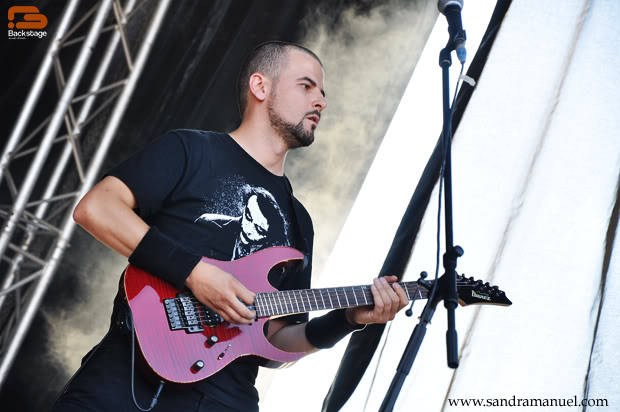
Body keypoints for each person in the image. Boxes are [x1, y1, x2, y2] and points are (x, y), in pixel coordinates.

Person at [51, 41, 408, 412]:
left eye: (322, 92)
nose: (321, 101)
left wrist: (347, 319)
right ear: (260, 87)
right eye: (307, 86)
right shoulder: (191, 150)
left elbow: (278, 340)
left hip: (226, 399)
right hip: (128, 377)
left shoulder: (299, 220)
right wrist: (194, 273)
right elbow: (97, 208)